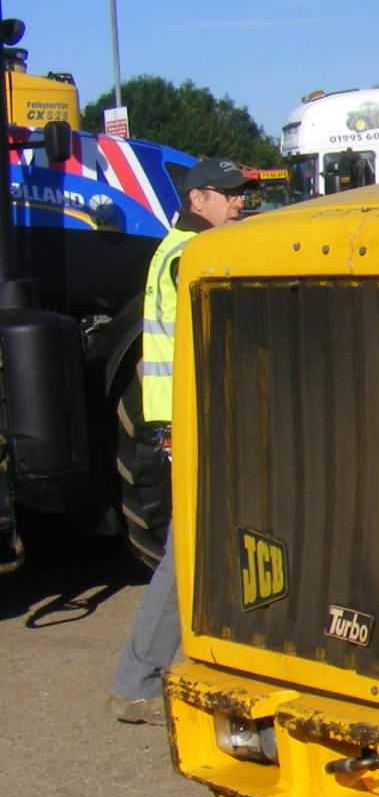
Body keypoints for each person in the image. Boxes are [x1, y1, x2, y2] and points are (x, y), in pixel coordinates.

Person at [108, 156, 255, 724]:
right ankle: (136, 681)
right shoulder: (191, 256)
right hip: (193, 424)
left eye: (242, 193)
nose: (239, 202)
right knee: (190, 552)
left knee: (204, 546)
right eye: (229, 194)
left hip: (191, 421)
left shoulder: (179, 248)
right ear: (199, 200)